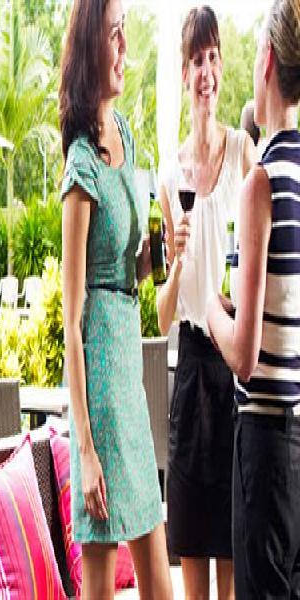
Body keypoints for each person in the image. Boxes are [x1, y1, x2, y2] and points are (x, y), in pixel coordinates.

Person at [59, 0, 173, 596]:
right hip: (99, 389)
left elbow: (130, 273)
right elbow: (71, 320)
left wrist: (161, 254)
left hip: (128, 372)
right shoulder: (80, 168)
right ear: (90, 49)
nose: (125, 46)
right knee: (101, 584)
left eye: (125, 32)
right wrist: (85, 448)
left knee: (158, 577)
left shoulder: (125, 134)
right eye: (114, 34)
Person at [156, 7, 256, 597]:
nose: (207, 73)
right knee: (192, 559)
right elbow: (162, 314)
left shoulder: (245, 153)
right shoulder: (169, 178)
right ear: (184, 71)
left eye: (214, 58)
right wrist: (175, 263)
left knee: (232, 567)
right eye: (197, 60)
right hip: (192, 375)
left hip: (235, 366)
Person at [207, 0, 300, 595]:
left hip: (265, 446)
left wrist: (211, 309)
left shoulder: (259, 182)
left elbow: (244, 356)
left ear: (265, 59)